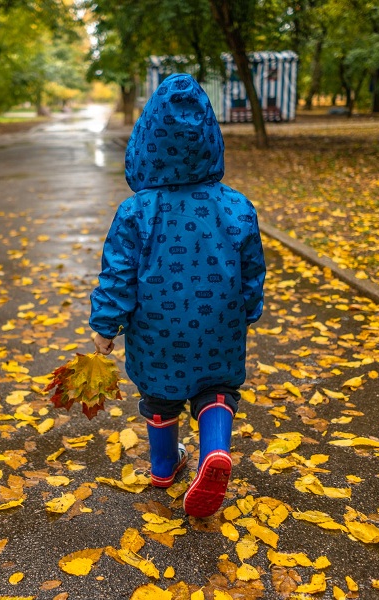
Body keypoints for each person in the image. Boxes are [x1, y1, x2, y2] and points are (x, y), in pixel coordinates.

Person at [90, 73, 266, 518]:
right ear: (210, 139)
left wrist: (105, 324)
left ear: (145, 142)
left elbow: (119, 272)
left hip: (157, 331)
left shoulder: (135, 211)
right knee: (218, 389)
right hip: (219, 325)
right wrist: (248, 309)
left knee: (160, 396)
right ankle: (213, 453)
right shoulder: (236, 206)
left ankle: (165, 466)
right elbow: (251, 268)